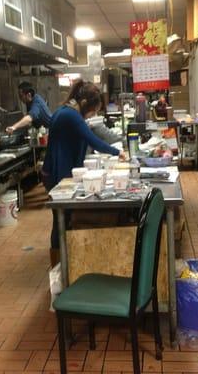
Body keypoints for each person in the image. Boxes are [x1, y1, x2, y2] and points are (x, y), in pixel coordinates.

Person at [42, 79, 125, 266]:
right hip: (57, 175)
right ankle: (59, 265)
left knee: (63, 218)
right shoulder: (71, 116)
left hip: (56, 172)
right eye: (93, 111)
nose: (92, 115)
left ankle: (65, 261)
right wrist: (118, 152)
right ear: (85, 103)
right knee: (60, 219)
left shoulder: (68, 111)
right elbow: (93, 140)